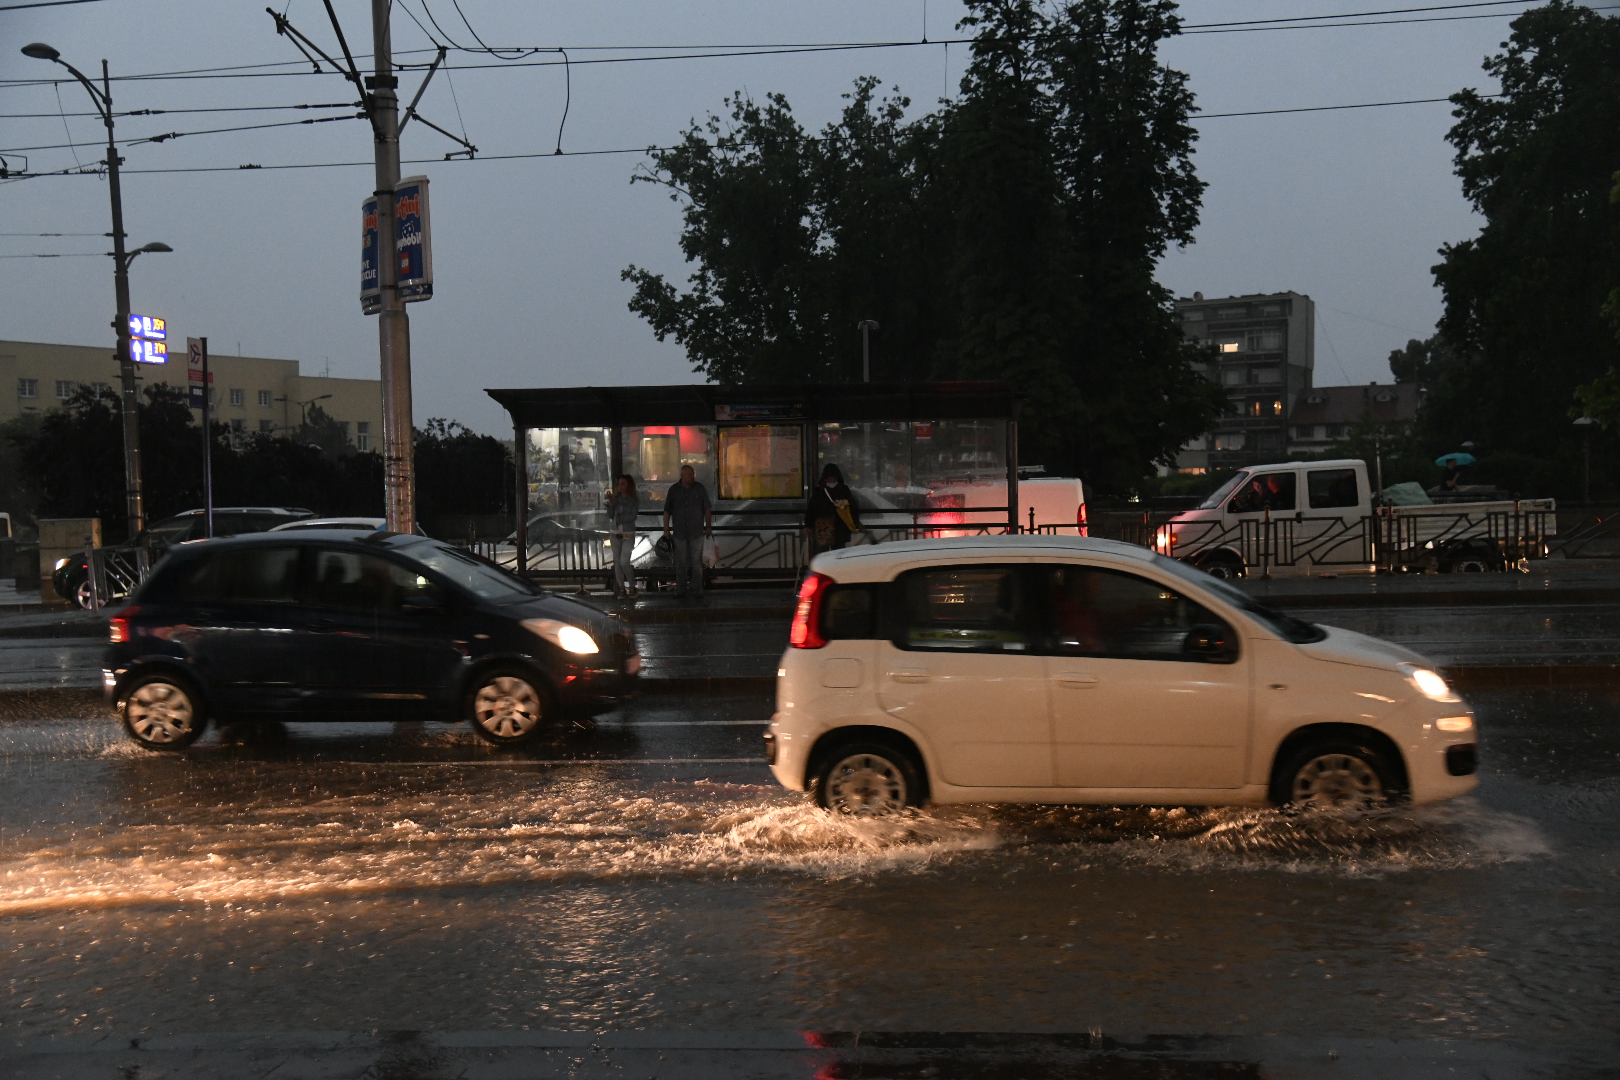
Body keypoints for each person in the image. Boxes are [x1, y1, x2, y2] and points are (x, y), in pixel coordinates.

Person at [661, 464, 713, 598]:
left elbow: (707, 508)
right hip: (681, 531)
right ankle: (682, 590)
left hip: (695, 531)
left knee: (695, 563)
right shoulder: (674, 490)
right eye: (689, 474)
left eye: (692, 474)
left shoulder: (699, 488)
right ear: (682, 475)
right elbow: (667, 511)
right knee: (681, 563)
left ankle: (696, 590)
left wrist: (708, 525)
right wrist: (666, 529)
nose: (692, 477)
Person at [805, 463, 863, 557]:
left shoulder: (843, 489)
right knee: (825, 556)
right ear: (825, 478)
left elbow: (852, 507)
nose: (831, 480)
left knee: (837, 556)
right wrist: (808, 524)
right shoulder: (819, 491)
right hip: (825, 529)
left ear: (837, 478)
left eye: (833, 478)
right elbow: (812, 509)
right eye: (829, 478)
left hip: (838, 529)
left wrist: (856, 521)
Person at [605, 474, 639, 598]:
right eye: (619, 484)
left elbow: (633, 516)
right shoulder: (616, 499)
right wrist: (611, 503)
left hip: (628, 533)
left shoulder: (633, 499)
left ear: (629, 485)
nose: (620, 486)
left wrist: (620, 516)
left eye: (623, 483)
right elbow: (610, 515)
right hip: (615, 533)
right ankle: (621, 588)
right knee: (617, 562)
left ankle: (632, 586)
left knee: (624, 561)